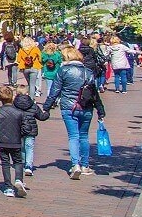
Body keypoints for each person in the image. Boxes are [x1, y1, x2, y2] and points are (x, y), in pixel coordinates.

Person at [43, 45, 106, 179]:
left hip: (68, 107)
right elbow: (94, 93)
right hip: (86, 107)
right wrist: (100, 111)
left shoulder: (63, 70)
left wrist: (47, 107)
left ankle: (75, 164)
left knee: (73, 136)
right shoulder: (88, 71)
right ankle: (85, 165)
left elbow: (55, 90)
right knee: (84, 136)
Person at [13, 83, 49, 178]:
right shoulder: (33, 105)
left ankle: (24, 163)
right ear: (27, 94)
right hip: (30, 129)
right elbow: (41, 117)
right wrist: (47, 113)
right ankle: (29, 166)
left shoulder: (14, 105)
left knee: (21, 147)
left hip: (18, 129)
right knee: (29, 147)